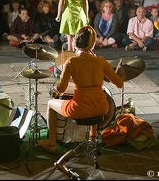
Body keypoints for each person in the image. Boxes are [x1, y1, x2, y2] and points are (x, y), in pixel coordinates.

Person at [37, 25, 124, 153]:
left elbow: (61, 89)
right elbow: (119, 83)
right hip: (102, 108)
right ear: (92, 43)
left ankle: (51, 143)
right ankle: (92, 138)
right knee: (94, 99)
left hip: (79, 110)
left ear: (75, 42)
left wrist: (59, 83)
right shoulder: (101, 61)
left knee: (50, 104)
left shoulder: (71, 62)